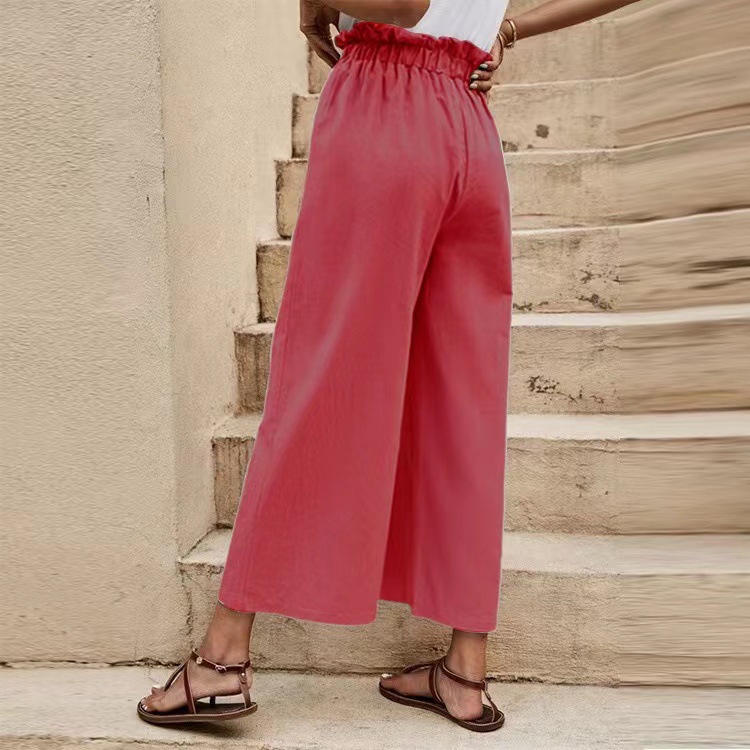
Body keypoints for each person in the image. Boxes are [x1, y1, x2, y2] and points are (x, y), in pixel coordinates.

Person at [138, 0, 638, 733]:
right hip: (468, 125)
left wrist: (317, 3)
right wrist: (507, 25)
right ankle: (465, 672)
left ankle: (221, 658)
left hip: (385, 103)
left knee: (325, 377)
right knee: (463, 400)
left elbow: (405, 3)